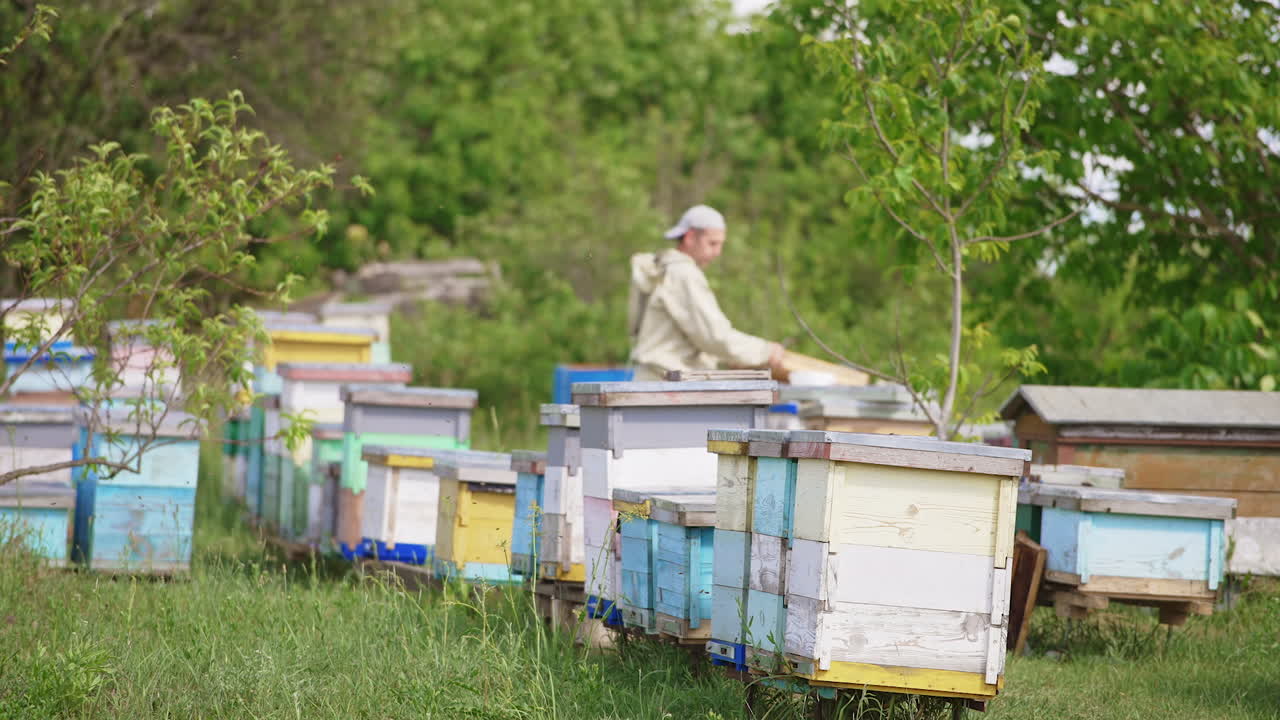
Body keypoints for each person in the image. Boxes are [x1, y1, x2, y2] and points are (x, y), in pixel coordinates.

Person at [628, 204, 784, 381]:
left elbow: (690, 339)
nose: (717, 252)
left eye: (720, 245)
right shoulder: (682, 274)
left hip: (656, 384)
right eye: (712, 243)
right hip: (665, 386)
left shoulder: (665, 270)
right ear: (690, 237)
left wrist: (729, 357)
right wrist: (765, 351)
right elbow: (714, 336)